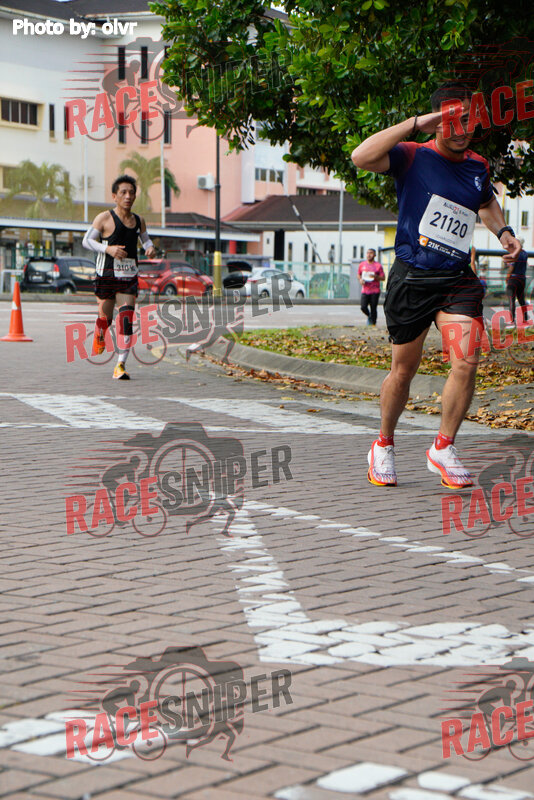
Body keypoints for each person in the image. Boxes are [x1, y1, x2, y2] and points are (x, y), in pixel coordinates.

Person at [351, 82, 521, 489]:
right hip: (412, 278)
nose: (462, 130)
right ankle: (383, 444)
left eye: (469, 121)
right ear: (437, 122)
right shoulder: (412, 155)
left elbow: (485, 202)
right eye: (453, 121)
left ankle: (443, 447)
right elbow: (361, 157)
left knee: (466, 360)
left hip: (457, 280)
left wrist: (504, 232)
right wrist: (415, 123)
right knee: (403, 371)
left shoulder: (478, 166)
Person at [82, 175, 156, 379]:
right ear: (114, 196)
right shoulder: (104, 218)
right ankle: (100, 333)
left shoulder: (138, 221)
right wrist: (108, 249)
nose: (128, 196)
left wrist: (150, 248)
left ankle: (120, 365)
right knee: (105, 319)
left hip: (128, 276)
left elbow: (146, 240)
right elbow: (86, 241)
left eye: (131, 192)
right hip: (106, 275)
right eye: (123, 192)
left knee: (126, 319)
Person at [505, 238, 529, 325]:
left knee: (511, 299)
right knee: (521, 299)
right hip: (522, 278)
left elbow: (512, 266)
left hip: (513, 278)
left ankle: (512, 320)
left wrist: (507, 277)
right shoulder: (525, 253)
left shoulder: (515, 253)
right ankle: (525, 318)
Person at [358, 248, 385, 325]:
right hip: (365, 289)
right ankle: (370, 317)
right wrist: (360, 279)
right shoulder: (362, 264)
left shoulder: (378, 266)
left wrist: (375, 276)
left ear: (374, 255)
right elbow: (359, 274)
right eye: (367, 253)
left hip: (375, 290)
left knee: (373, 308)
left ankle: (373, 323)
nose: (369, 255)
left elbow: (383, 278)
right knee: (363, 307)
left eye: (371, 253)